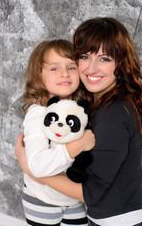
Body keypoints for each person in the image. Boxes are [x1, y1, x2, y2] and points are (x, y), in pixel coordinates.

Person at [15, 18, 142, 226]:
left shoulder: (114, 113)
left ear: (120, 63)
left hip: (123, 220)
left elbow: (93, 192)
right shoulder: (88, 103)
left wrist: (29, 166)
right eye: (85, 56)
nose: (92, 68)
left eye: (105, 58)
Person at [18, 39, 95, 226]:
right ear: (39, 76)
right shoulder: (39, 113)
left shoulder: (80, 110)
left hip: (72, 199)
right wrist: (77, 146)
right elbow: (37, 166)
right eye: (54, 68)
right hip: (42, 198)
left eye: (71, 67)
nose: (64, 74)